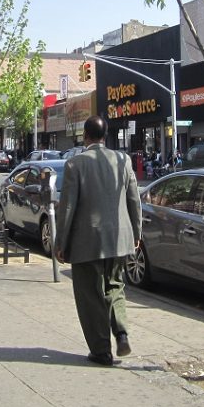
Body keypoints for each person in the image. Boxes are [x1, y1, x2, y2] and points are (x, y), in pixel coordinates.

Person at [55, 116, 142, 366]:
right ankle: (122, 332)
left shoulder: (76, 164)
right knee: (115, 286)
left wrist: (61, 242)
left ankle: (101, 350)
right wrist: (136, 234)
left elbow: (67, 208)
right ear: (106, 136)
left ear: (86, 136)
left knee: (90, 295)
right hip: (119, 239)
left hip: (87, 242)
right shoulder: (123, 160)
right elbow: (134, 201)